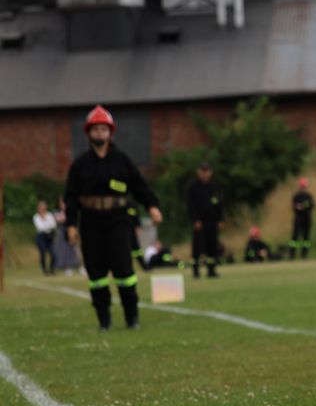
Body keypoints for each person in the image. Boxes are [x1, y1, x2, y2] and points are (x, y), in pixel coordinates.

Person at [62, 106, 163, 331]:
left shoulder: (122, 161)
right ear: (89, 133)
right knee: (96, 273)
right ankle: (104, 320)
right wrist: (70, 225)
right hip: (90, 223)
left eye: (103, 129)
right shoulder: (80, 165)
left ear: (110, 132)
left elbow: (139, 186)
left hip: (118, 221)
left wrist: (152, 206)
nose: (99, 133)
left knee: (124, 270)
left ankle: (132, 318)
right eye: (95, 129)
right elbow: (71, 197)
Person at [183, 160, 225, 279]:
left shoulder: (214, 186)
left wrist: (220, 219)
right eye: (203, 171)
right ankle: (196, 270)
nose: (205, 174)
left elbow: (219, 203)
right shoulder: (192, 187)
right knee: (198, 246)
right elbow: (190, 205)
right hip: (199, 222)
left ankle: (211, 270)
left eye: (207, 171)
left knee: (212, 245)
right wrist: (195, 219)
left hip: (212, 221)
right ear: (198, 172)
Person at [289, 177, 316, 260]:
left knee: (306, 238)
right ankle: (292, 255)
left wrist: (302, 206)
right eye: (302, 186)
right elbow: (294, 206)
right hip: (298, 218)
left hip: (307, 218)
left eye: (304, 186)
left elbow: (312, 205)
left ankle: (304, 255)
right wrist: (301, 206)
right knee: (295, 237)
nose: (303, 188)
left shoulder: (309, 196)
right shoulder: (296, 196)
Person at [32, 200, 59, 276]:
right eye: (41, 208)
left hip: (49, 236)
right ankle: (44, 269)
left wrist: (46, 223)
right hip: (41, 236)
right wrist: (47, 224)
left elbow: (53, 225)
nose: (43, 210)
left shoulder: (49, 215)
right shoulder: (36, 217)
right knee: (43, 253)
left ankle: (52, 269)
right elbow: (40, 227)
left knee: (53, 254)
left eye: (44, 208)